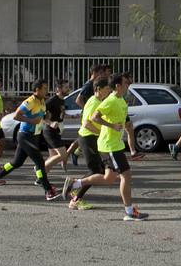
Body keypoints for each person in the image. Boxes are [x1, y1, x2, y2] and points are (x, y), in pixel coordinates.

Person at [80, 73, 147, 220]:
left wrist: (127, 127)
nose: (127, 86)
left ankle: (76, 183)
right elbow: (93, 117)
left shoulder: (121, 100)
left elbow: (123, 120)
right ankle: (129, 212)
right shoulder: (110, 100)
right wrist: (111, 125)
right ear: (118, 86)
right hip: (109, 145)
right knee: (126, 175)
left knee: (109, 178)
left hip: (115, 145)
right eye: (125, 84)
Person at [0, 80, 62, 200]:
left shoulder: (42, 101)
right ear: (37, 89)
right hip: (25, 135)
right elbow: (16, 115)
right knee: (40, 162)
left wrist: (49, 121)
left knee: (16, 162)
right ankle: (48, 190)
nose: (46, 90)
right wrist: (31, 121)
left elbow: (41, 117)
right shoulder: (30, 101)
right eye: (44, 88)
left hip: (34, 136)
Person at [63, 78, 108, 211]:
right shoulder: (94, 102)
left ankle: (75, 189)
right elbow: (86, 123)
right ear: (98, 89)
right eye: (106, 89)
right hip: (88, 138)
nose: (108, 92)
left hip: (91, 138)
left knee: (99, 169)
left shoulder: (99, 101)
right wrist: (101, 133)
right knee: (97, 170)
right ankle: (75, 198)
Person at [40, 80, 73, 183]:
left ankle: (41, 178)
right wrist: (50, 123)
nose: (68, 89)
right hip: (49, 131)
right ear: (58, 89)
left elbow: (59, 113)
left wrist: (71, 116)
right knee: (63, 155)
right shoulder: (51, 101)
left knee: (53, 157)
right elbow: (40, 116)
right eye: (65, 87)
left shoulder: (62, 100)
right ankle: (39, 171)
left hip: (56, 131)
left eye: (68, 87)